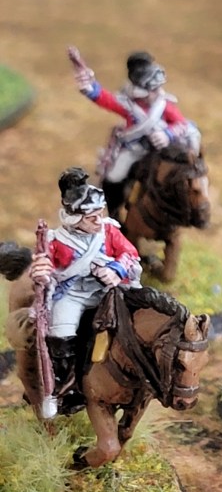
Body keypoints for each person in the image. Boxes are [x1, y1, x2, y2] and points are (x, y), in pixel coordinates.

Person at [30, 167, 142, 409]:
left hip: (107, 291)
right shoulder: (56, 241)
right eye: (92, 217)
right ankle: (66, 386)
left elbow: (130, 253)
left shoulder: (109, 231)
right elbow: (45, 268)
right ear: (75, 217)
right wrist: (41, 271)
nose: (98, 220)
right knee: (60, 333)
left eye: (100, 214)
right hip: (71, 294)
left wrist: (115, 270)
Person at [72, 50, 202, 219]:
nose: (158, 92)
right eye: (153, 89)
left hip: (164, 149)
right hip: (135, 148)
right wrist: (87, 83)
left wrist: (167, 134)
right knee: (114, 176)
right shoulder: (127, 105)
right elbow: (103, 98)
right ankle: (113, 213)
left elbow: (181, 123)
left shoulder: (164, 105)